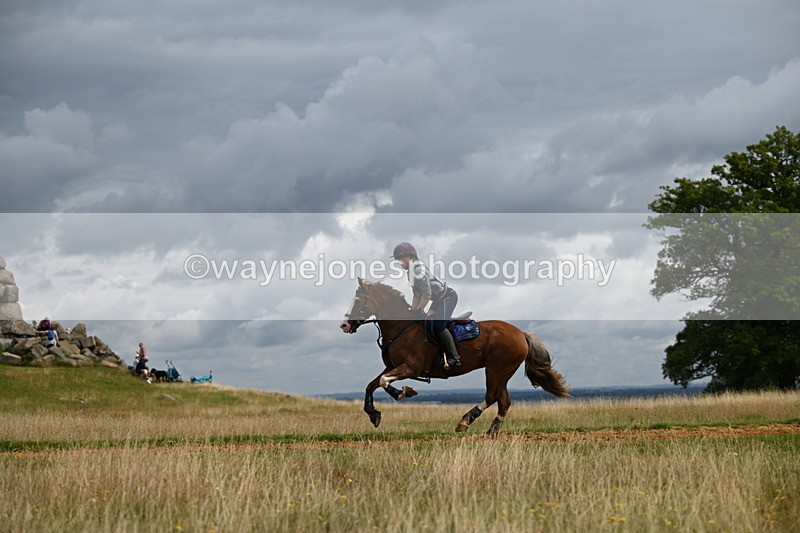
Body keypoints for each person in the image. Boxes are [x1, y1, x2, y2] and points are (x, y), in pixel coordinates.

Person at [392, 241, 461, 366]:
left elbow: (427, 295)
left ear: (409, 257)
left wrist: (419, 309)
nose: (399, 263)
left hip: (448, 297)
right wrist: (412, 310)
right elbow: (416, 294)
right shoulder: (410, 272)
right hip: (438, 300)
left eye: (400, 259)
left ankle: (454, 356)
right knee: (427, 324)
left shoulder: (418, 270)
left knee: (439, 326)